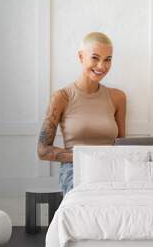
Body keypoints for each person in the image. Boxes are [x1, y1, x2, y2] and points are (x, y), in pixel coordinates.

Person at [37, 32, 126, 195]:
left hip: (110, 167)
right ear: (81, 57)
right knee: (89, 198)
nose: (101, 66)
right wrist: (85, 157)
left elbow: (122, 145)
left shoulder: (117, 97)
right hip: (76, 169)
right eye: (95, 58)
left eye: (108, 60)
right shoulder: (61, 97)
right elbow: (42, 150)